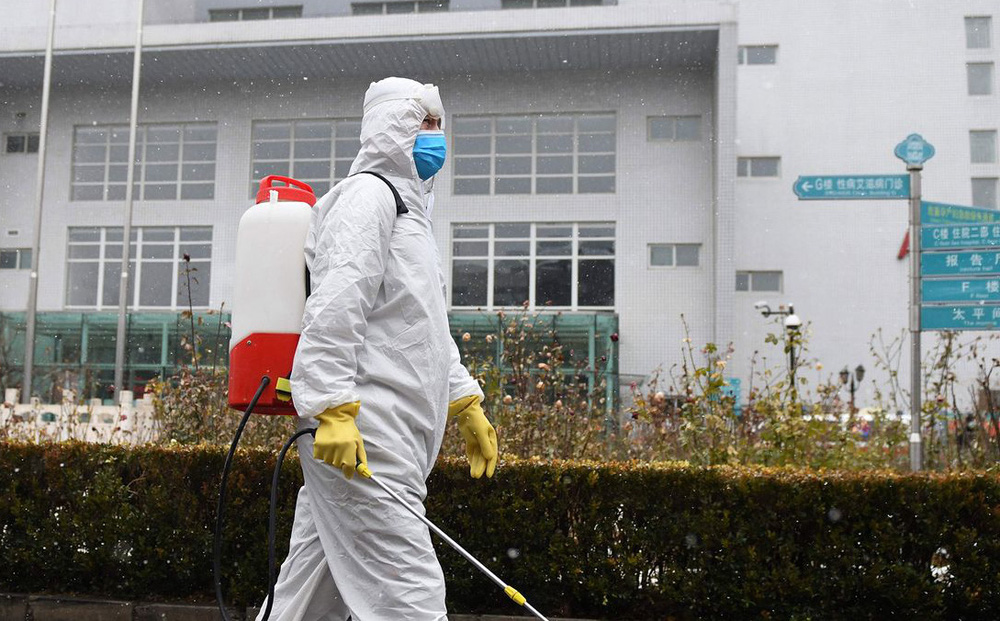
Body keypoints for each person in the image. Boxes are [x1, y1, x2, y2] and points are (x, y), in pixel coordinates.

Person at [259, 77, 499, 621]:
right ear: (392, 127)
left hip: (388, 433)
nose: (435, 136)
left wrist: (465, 401)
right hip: (365, 431)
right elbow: (335, 306)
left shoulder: (411, 217)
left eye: (438, 124)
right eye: (423, 123)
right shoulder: (368, 197)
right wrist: (330, 408)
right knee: (409, 598)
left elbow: (422, 329)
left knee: (308, 598)